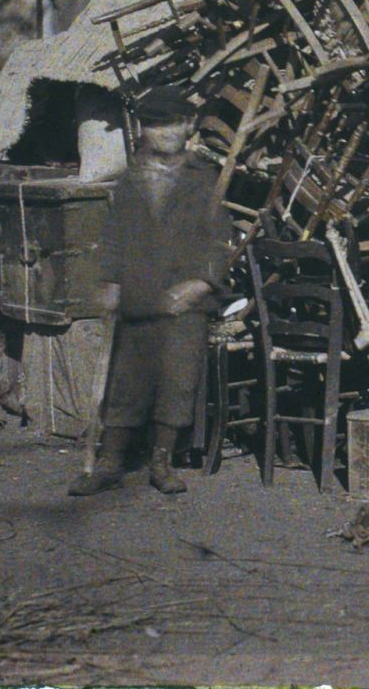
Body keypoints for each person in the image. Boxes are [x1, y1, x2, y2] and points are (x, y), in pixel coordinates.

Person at [70, 85, 230, 498]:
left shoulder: (205, 179)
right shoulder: (131, 181)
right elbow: (114, 237)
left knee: (178, 379)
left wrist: (200, 284)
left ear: (189, 126)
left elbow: (220, 242)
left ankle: (162, 461)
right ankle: (110, 462)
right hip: (139, 296)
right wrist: (109, 281)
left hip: (185, 302)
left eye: (173, 123)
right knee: (127, 380)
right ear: (143, 130)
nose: (164, 133)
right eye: (155, 125)